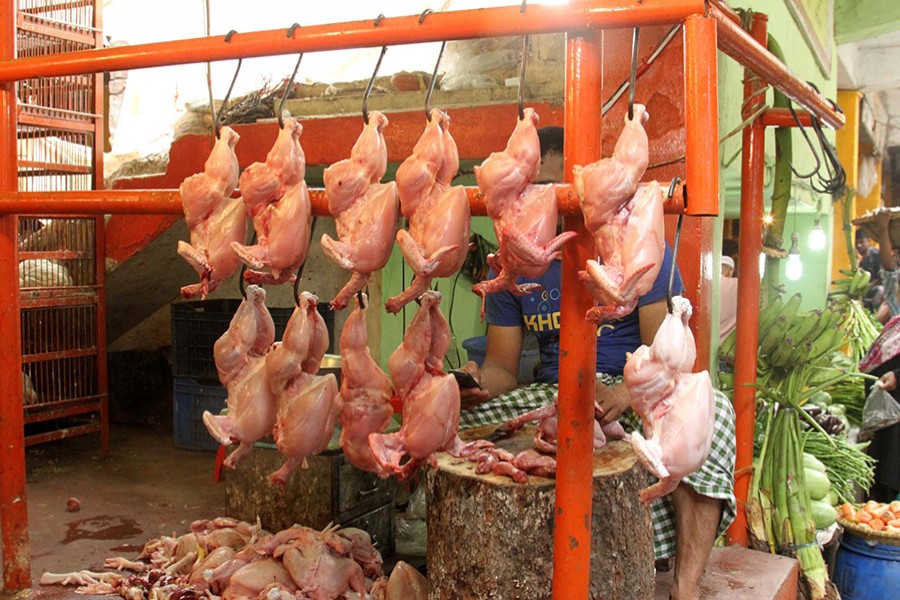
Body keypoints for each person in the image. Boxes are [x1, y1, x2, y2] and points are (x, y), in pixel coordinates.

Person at [460, 126, 736, 600]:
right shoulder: (510, 252)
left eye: (559, 191)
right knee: (455, 421)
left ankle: (685, 588)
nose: (551, 203)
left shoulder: (633, 239)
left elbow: (667, 358)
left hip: (630, 390)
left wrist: (626, 393)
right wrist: (471, 383)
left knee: (716, 418)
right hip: (552, 392)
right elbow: (504, 369)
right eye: (536, 192)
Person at [859, 314, 900, 502]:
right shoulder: (896, 322)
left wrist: (898, 376)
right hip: (887, 418)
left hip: (895, 422)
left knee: (890, 473)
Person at [719, 254, 738, 342]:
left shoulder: (705, 284)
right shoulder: (738, 285)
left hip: (701, 345)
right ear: (731, 271)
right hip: (726, 348)